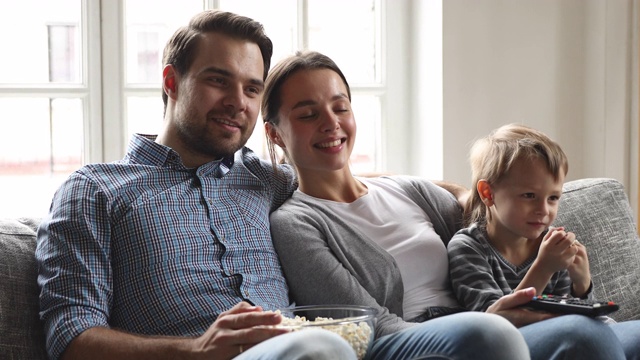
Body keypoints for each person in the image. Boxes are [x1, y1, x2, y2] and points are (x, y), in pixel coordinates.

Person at [262, 50, 640, 360]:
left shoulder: (406, 189)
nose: (331, 124)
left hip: (486, 324)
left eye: (340, 108)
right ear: (275, 133)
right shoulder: (295, 223)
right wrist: (481, 323)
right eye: (309, 114)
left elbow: (484, 212)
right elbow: (364, 323)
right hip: (412, 339)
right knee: (576, 336)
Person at [35, 10, 356, 360]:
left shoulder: (273, 182)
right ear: (172, 83)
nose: (238, 102)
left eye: (252, 89)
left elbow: (352, 195)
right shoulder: (95, 190)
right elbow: (70, 339)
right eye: (218, 81)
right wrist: (197, 349)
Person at [448, 124, 593, 313]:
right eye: (529, 195)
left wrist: (582, 286)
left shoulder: (553, 247)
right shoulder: (468, 248)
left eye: (553, 198)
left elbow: (573, 316)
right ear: (488, 193)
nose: (543, 210)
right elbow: (493, 322)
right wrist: (543, 268)